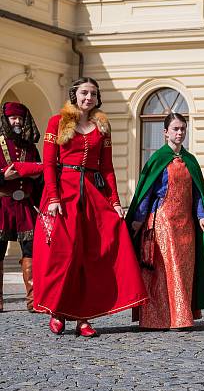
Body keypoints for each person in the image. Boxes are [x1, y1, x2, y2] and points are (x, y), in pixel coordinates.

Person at [33, 77, 147, 337]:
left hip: (92, 195)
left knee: (93, 255)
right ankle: (57, 310)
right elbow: (49, 164)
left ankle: (83, 318)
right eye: (84, 93)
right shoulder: (57, 122)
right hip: (65, 194)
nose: (89, 98)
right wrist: (53, 198)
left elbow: (107, 168)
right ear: (75, 95)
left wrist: (115, 202)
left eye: (93, 94)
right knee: (65, 256)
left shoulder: (102, 126)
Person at [125, 113, 204, 329]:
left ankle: (182, 317)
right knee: (163, 271)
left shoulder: (190, 161)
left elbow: (197, 193)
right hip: (163, 222)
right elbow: (147, 192)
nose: (180, 133)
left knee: (184, 269)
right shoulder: (157, 159)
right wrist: (138, 220)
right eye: (175, 129)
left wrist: (202, 215)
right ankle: (156, 319)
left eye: (182, 129)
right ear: (165, 132)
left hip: (185, 225)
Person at [0, 102, 43, 312]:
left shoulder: (31, 148)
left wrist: (37, 177)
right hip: (2, 204)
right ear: (6, 120)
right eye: (12, 118)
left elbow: (42, 180)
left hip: (25, 204)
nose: (17, 122)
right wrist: (2, 176)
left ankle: (33, 301)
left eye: (20, 118)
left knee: (31, 249)